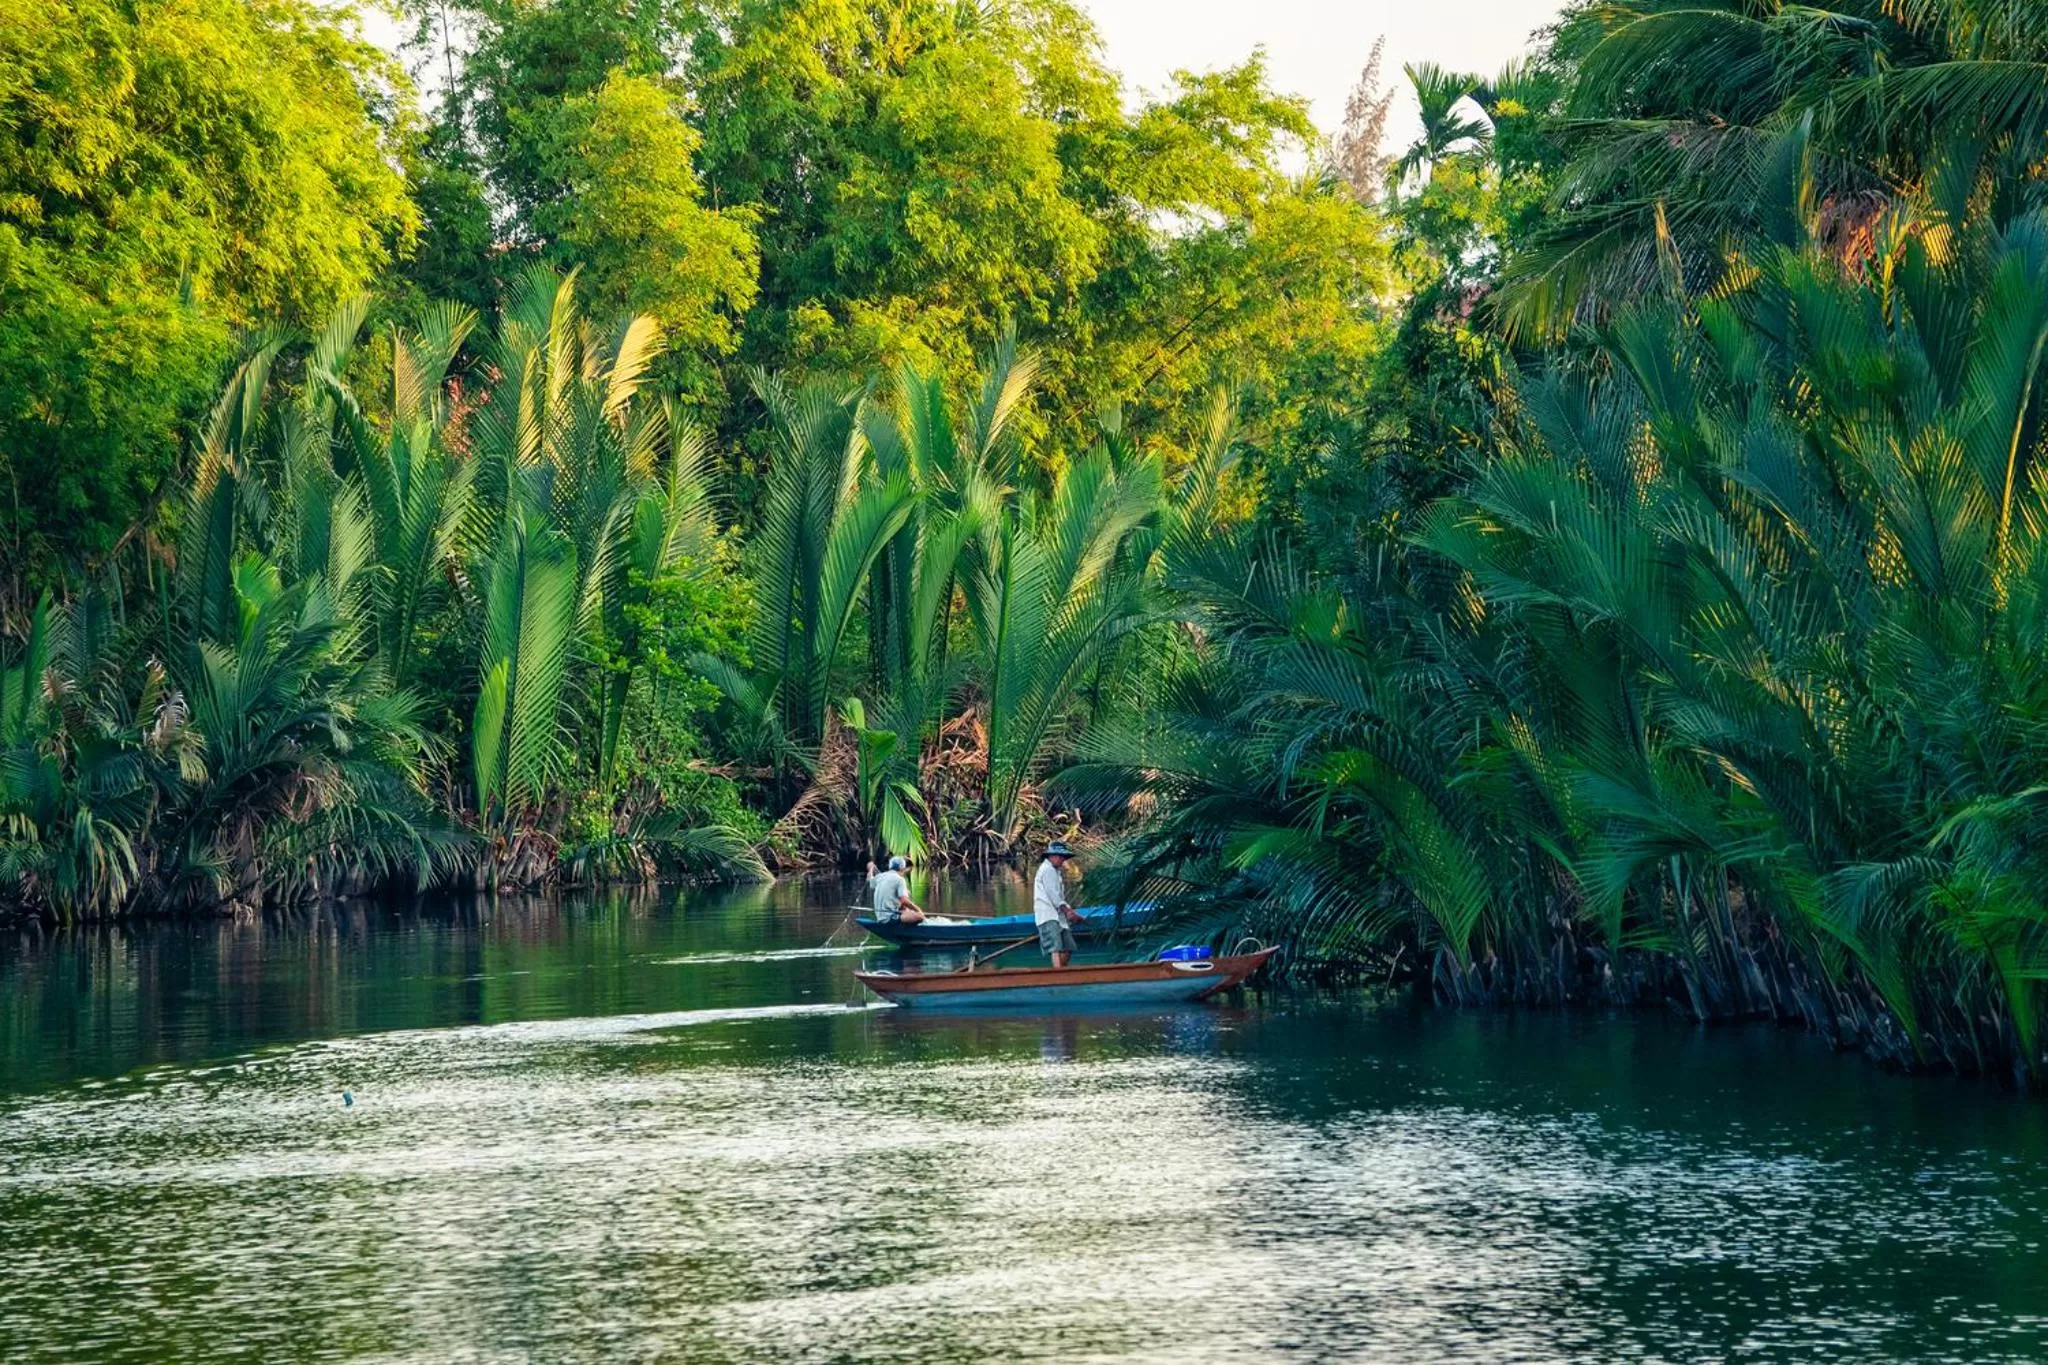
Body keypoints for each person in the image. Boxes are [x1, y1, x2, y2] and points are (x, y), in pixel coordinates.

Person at [1033, 840, 1081, 967]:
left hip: (1058, 916)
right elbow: (1054, 896)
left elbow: (1059, 896)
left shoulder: (1055, 871)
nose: (1062, 860)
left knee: (1068, 947)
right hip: (1048, 915)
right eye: (1060, 857)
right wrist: (1068, 912)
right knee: (1056, 948)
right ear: (1052, 856)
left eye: (1063, 857)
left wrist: (1069, 911)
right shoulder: (1047, 870)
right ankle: (1058, 974)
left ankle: (1060, 973)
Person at [867, 855, 924, 924]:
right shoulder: (899, 879)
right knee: (920, 917)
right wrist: (918, 910)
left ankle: (905, 916)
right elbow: (904, 900)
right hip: (890, 918)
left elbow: (870, 881)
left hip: (880, 917)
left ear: (890, 866)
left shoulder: (880, 876)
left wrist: (870, 869)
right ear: (902, 868)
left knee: (906, 894)